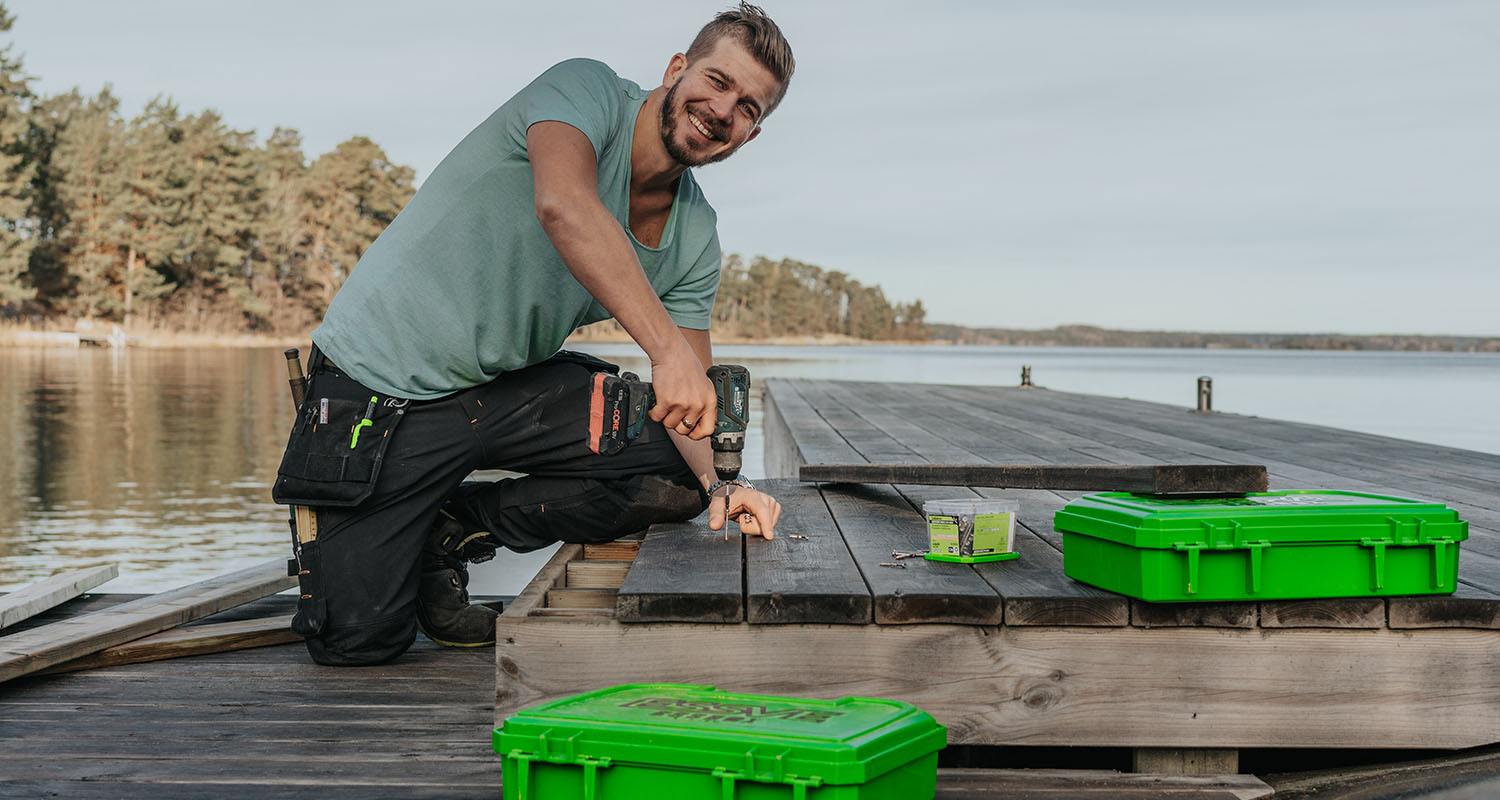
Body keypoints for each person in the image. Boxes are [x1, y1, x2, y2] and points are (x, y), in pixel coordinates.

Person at [273, 4, 792, 666]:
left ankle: (457, 525)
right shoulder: (584, 91)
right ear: (676, 69)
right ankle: (395, 523)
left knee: (676, 477)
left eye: (750, 107)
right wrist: (664, 352)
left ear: (750, 135)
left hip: (497, 392)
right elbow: (564, 206)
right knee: (357, 641)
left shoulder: (695, 235)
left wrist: (726, 484)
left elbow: (691, 397)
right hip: (376, 384)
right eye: (717, 81)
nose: (724, 109)